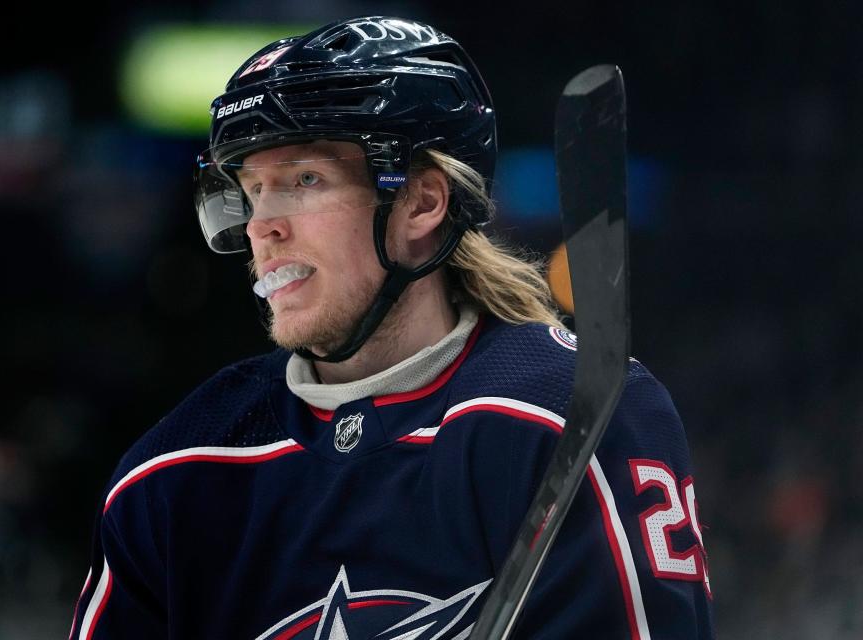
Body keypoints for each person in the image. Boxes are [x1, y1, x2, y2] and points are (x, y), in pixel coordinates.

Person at [71, 16, 713, 640]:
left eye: (303, 180)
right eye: (253, 190)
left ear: (423, 203)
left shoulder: (557, 413)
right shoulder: (175, 470)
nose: (262, 225)